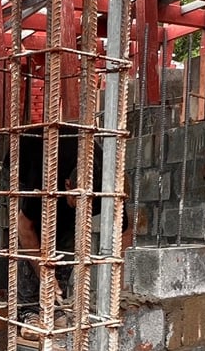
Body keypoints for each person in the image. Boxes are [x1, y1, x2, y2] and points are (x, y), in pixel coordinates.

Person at [15, 132, 128, 335]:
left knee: (67, 237)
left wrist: (117, 281)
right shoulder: (44, 173)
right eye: (78, 203)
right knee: (31, 241)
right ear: (67, 185)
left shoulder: (109, 186)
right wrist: (45, 273)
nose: (83, 212)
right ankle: (28, 311)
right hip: (27, 159)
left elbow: (125, 230)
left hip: (68, 174)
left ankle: (55, 307)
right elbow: (24, 226)